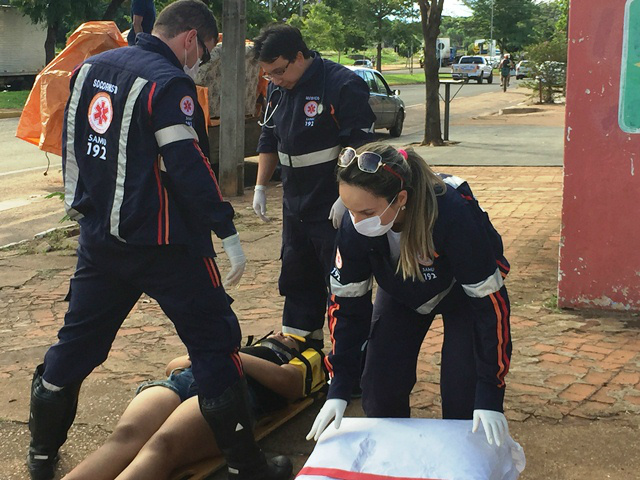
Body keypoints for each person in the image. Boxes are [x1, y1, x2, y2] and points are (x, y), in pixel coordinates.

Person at [26, 2, 290, 480]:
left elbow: (72, 144)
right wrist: (225, 228)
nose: (202, 60)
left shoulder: (91, 67)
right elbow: (187, 163)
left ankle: (41, 457)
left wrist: (84, 208)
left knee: (76, 347)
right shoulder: (168, 83)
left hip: (101, 240)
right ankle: (247, 469)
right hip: (168, 245)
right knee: (215, 346)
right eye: (205, 50)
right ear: (191, 38)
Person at [306, 143, 513, 447]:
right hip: (402, 292)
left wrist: (490, 392)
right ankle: (396, 461)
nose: (358, 221)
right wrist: (338, 388)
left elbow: (490, 308)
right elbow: (346, 309)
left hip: (463, 295)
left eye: (366, 212)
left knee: (464, 399)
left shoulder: (453, 216)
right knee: (378, 389)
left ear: (400, 199)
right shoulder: (354, 229)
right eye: (349, 209)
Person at [251, 24, 376, 347]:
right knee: (296, 280)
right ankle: (302, 354)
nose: (275, 79)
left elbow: (360, 145)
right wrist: (260, 187)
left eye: (279, 71)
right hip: (296, 206)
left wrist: (345, 198)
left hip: (333, 207)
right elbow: (268, 139)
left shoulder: (341, 85)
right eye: (269, 75)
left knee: (344, 284)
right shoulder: (278, 90)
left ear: (299, 56)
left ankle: (352, 363)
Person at [63, 332, 324, 480]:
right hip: (183, 382)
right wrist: (215, 353)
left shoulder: (286, 362)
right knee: (124, 439)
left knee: (162, 446)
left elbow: (289, 383)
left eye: (288, 339)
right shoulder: (237, 348)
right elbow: (172, 367)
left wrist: (229, 356)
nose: (280, 333)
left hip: (228, 394)